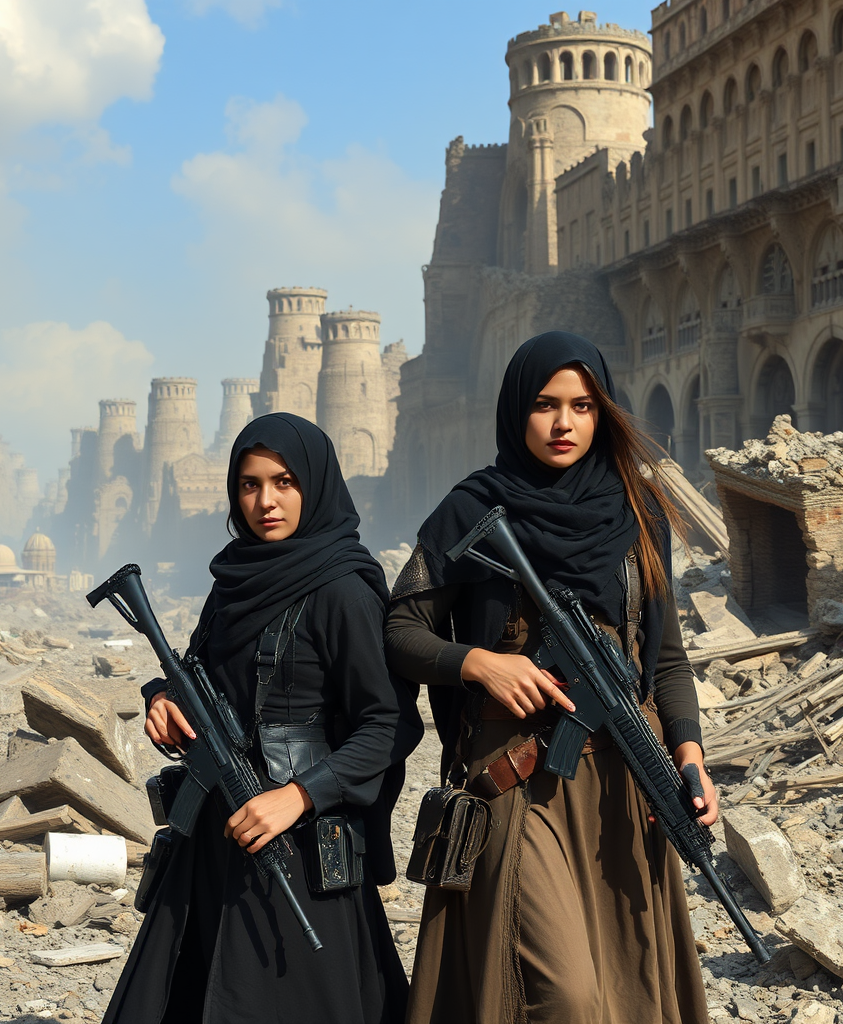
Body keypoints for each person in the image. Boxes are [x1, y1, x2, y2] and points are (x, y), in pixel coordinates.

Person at [385, 331, 716, 1024]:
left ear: (604, 413)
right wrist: (477, 662)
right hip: (517, 777)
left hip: (626, 781)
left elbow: (666, 660)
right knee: (565, 995)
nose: (564, 424)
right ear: (515, 410)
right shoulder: (470, 510)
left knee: (629, 986)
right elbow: (400, 632)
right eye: (545, 404)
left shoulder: (639, 513)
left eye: (583, 406)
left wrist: (688, 756)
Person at [104, 412, 423, 1024]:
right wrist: (162, 699)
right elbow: (197, 671)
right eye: (250, 485)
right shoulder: (232, 583)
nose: (265, 501)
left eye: (283, 482)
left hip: (297, 851)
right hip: (213, 838)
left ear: (314, 485)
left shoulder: (344, 591)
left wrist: (299, 797)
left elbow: (388, 725)